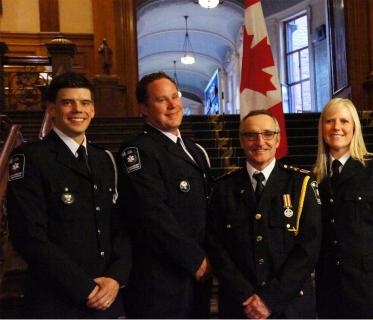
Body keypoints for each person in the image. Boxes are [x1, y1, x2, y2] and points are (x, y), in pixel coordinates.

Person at [7, 72, 131, 318]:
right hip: (57, 301)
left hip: (106, 298)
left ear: (93, 110)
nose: (78, 109)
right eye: (68, 102)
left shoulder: (104, 160)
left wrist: (116, 278)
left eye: (85, 103)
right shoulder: (31, 158)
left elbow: (121, 226)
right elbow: (28, 237)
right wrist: (86, 288)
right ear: (51, 109)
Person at [206, 110, 322, 318]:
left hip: (290, 306)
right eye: (251, 135)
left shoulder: (301, 183)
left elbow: (308, 248)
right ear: (241, 141)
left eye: (268, 134)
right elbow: (216, 246)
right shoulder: (223, 187)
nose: (260, 141)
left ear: (278, 139)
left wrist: (270, 299)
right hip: (240, 306)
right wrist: (246, 296)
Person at [117, 71, 212, 318]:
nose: (173, 105)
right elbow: (152, 213)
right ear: (144, 109)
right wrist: (194, 259)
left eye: (175, 96)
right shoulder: (137, 149)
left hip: (198, 273)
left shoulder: (194, 150)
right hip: (160, 277)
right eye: (162, 100)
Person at [313, 98, 373, 318]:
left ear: (354, 127)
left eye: (344, 121)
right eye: (329, 121)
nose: (336, 127)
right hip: (332, 293)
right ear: (322, 128)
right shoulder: (314, 179)